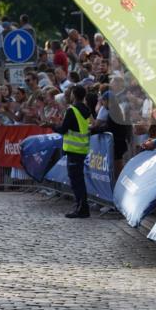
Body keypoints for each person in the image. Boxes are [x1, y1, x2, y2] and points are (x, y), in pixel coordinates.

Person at [60, 84, 92, 219]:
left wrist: (51, 126)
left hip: (74, 150)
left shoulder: (72, 110)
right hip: (82, 148)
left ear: (74, 94)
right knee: (79, 180)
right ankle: (81, 206)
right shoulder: (86, 109)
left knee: (76, 181)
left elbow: (63, 128)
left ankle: (81, 208)